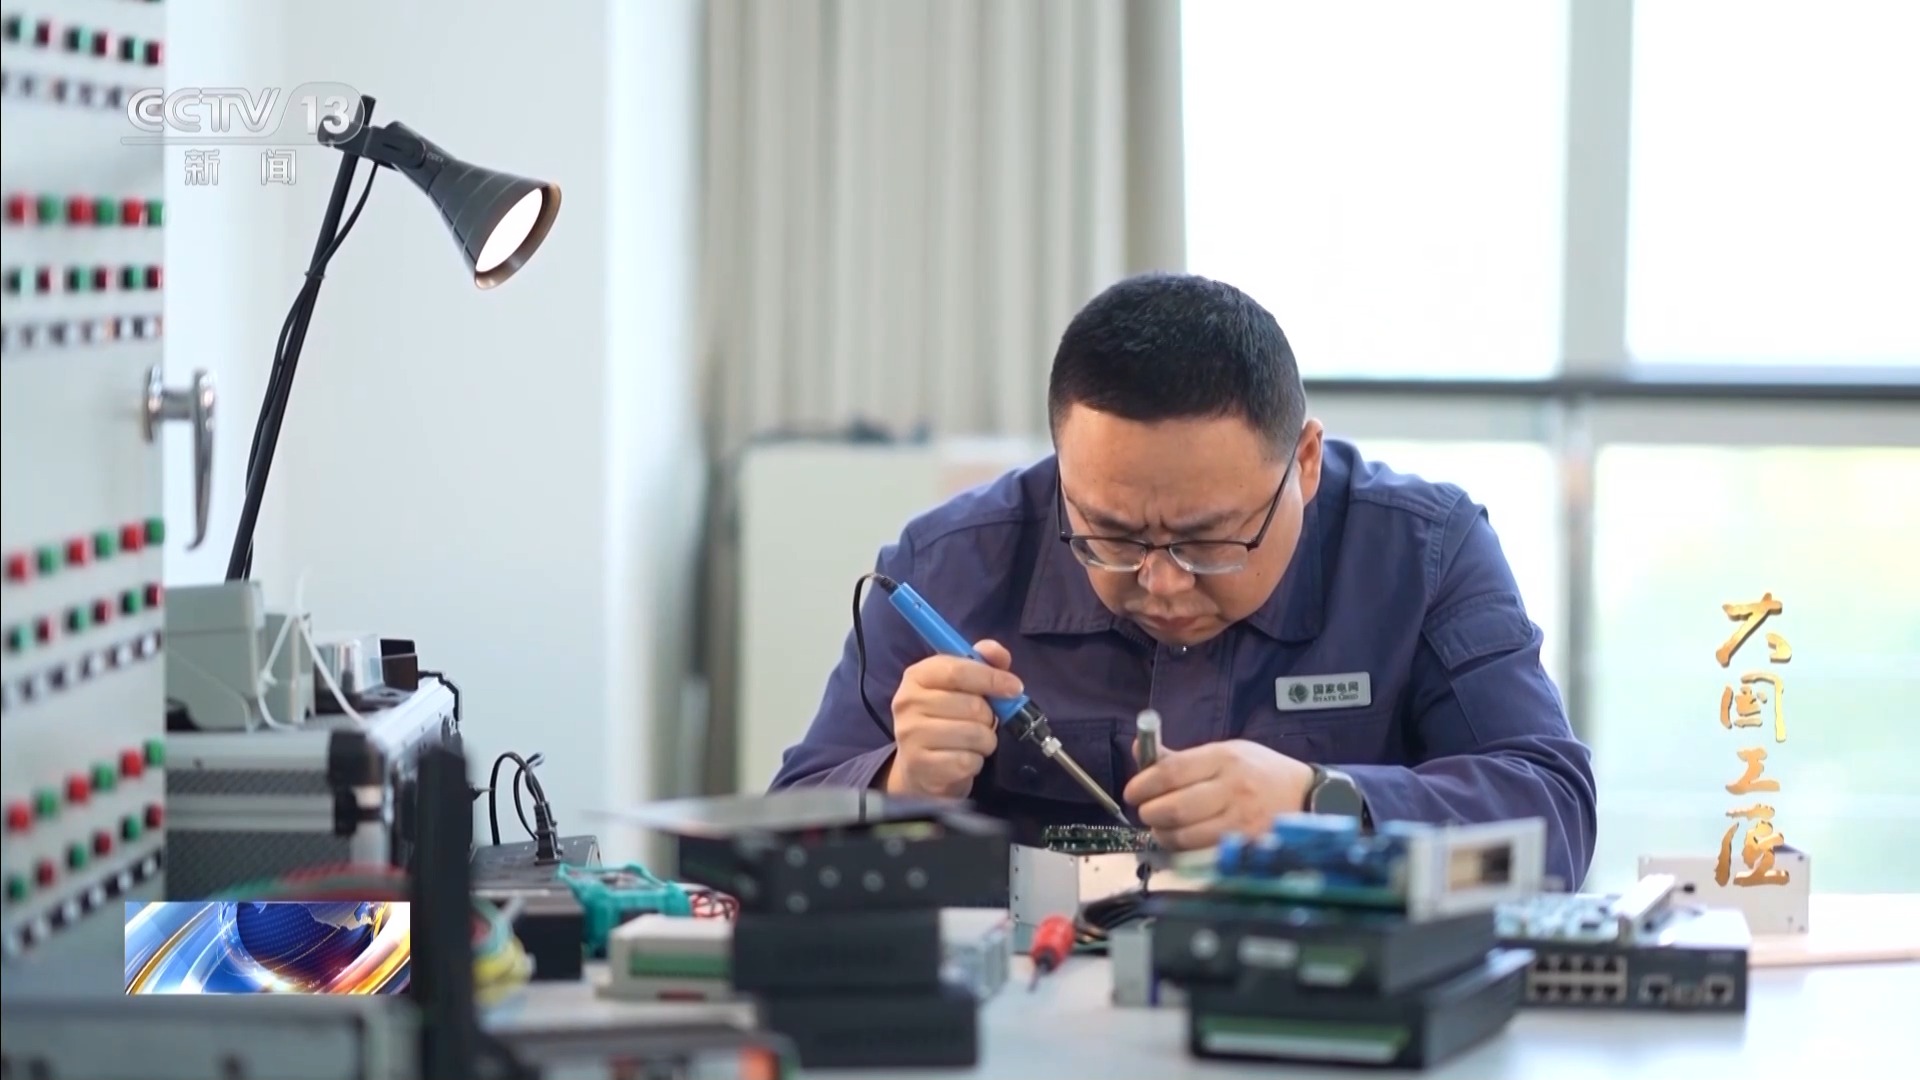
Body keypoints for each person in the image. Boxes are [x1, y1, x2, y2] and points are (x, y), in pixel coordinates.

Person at [770, 273, 1596, 887]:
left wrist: (1322, 804)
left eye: (1209, 542)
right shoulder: (947, 567)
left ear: (1305, 463)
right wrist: (900, 784)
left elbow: (1555, 814)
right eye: (1112, 536)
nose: (1162, 583)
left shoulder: (1422, 553)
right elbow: (780, 833)